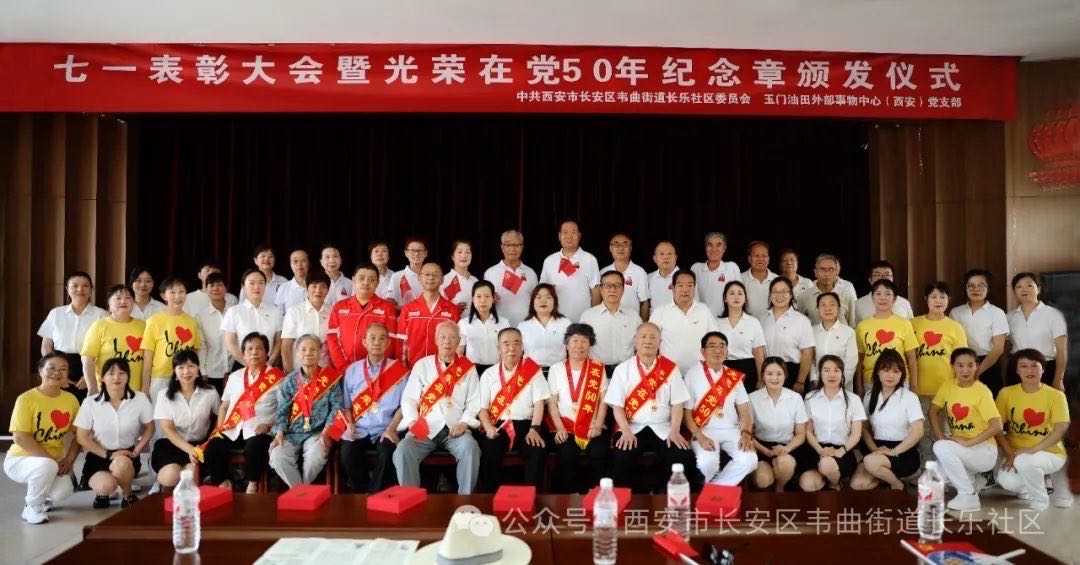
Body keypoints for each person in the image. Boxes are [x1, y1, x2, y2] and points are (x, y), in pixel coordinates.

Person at [605, 323, 699, 493]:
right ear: (635, 341)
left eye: (653, 337)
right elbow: (617, 406)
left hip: (664, 427)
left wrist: (675, 430)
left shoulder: (670, 368)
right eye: (643, 336)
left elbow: (677, 403)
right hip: (632, 426)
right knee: (622, 455)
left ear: (660, 342)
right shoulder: (622, 369)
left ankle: (666, 496)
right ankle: (630, 498)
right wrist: (625, 430)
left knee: (681, 455)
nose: (648, 341)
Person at [394, 322, 482, 494]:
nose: (447, 341)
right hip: (425, 428)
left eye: (452, 337)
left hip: (455, 429)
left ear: (459, 341)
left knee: (471, 448)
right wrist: (413, 421)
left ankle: (465, 501)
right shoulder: (422, 365)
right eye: (443, 337)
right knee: (403, 450)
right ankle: (410, 498)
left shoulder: (468, 368)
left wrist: (464, 423)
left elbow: (474, 401)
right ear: (436, 340)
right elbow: (409, 398)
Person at [4, 354, 81, 524]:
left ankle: (43, 497)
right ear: (40, 371)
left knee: (63, 491)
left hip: (52, 462)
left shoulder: (70, 400)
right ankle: (32, 507)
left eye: (63, 369)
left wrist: (68, 461)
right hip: (20, 459)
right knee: (46, 465)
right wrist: (53, 461)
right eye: (51, 368)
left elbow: (80, 434)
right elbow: (20, 437)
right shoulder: (26, 399)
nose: (57, 373)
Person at [202, 332, 283, 494]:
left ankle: (252, 486)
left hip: (260, 429)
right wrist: (220, 428)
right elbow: (224, 407)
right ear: (243, 354)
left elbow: (283, 409)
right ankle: (224, 484)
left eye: (259, 348)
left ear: (266, 352)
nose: (254, 352)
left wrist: (269, 425)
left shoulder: (277, 377)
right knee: (212, 448)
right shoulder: (235, 377)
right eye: (249, 349)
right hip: (233, 428)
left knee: (254, 448)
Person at [994, 349, 1074, 510]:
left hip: (1051, 453)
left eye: (1034, 365)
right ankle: (1027, 488)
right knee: (1006, 481)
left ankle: (1040, 499)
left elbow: (1060, 429)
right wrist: (1010, 454)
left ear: (1043, 369)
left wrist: (1031, 450)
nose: (1029, 370)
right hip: (1016, 453)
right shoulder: (1006, 393)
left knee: (1025, 461)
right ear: (1017, 370)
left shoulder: (1056, 396)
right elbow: (996, 428)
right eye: (1023, 366)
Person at [477, 328, 550, 492]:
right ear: (499, 348)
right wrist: (488, 428)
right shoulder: (489, 374)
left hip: (528, 424)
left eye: (516, 343)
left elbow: (539, 403)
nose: (511, 348)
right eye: (506, 343)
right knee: (489, 449)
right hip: (498, 425)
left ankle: (533, 499)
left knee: (537, 450)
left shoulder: (533, 371)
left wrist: (535, 429)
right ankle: (490, 498)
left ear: (522, 347)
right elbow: (482, 409)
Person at [928, 348, 1002, 511]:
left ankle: (968, 496)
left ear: (977, 366)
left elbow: (997, 425)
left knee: (941, 448)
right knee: (936, 478)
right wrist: (941, 436)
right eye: (960, 365)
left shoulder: (982, 391)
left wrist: (969, 442)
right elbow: (932, 411)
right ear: (952, 366)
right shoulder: (948, 386)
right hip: (961, 448)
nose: (965, 370)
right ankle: (974, 480)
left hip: (983, 450)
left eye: (970, 365)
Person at [337, 324, 407, 493]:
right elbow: (347, 406)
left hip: (386, 428)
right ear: (364, 342)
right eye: (372, 338)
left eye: (382, 338)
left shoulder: (399, 371)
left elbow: (403, 407)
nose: (377, 342)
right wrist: (350, 424)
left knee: (389, 452)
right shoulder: (352, 370)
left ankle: (374, 494)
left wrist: (391, 429)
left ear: (388, 343)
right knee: (347, 452)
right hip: (360, 428)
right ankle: (361, 493)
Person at [74, 358, 153, 508]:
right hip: (98, 456)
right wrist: (108, 454)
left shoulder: (139, 399)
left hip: (127, 455)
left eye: (122, 373)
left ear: (128, 377)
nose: (116, 377)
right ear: (102, 378)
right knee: (105, 486)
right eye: (111, 373)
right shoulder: (90, 403)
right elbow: (81, 437)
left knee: (121, 464)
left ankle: (127, 494)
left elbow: (150, 427)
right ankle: (103, 493)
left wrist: (138, 448)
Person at [682, 332, 757, 486]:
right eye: (712, 346)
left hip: (732, 430)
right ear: (703, 351)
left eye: (722, 346)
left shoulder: (732, 376)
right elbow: (686, 413)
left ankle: (714, 489)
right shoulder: (692, 375)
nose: (718, 350)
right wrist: (699, 436)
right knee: (707, 464)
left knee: (750, 460)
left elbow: (744, 410)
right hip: (704, 430)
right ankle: (717, 491)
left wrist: (746, 433)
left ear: (727, 351)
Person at [269, 335, 343, 488]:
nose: (308, 353)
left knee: (317, 455)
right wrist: (279, 433)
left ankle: (299, 493)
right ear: (297, 353)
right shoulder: (290, 380)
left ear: (320, 352)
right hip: (291, 433)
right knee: (277, 456)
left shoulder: (330, 378)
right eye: (303, 349)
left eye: (313, 349)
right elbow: (282, 410)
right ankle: (302, 491)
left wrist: (327, 432)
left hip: (318, 432)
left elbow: (337, 408)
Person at [546, 324, 610, 494]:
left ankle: (596, 494)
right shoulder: (556, 369)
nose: (579, 345)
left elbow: (603, 402)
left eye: (584, 341)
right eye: (575, 340)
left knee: (599, 452)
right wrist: (559, 428)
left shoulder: (598, 369)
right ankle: (571, 495)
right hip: (565, 427)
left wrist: (598, 426)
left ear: (590, 344)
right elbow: (552, 404)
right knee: (566, 453)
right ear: (567, 344)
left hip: (592, 426)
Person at [850, 350, 924, 491]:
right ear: (878, 372)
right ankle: (885, 476)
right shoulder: (869, 396)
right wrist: (875, 450)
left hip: (903, 452)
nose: (891, 375)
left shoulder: (909, 397)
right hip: (877, 449)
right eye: (886, 370)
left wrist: (894, 451)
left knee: (870, 461)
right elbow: (864, 429)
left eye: (896, 371)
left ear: (902, 374)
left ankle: (897, 485)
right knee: (857, 484)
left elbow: (918, 431)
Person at [152, 350, 220, 491]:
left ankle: (182, 495)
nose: (186, 371)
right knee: (171, 476)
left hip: (198, 445)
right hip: (171, 444)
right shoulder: (164, 395)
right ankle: (162, 484)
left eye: (191, 366)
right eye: (181, 367)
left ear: (198, 369)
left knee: (191, 475)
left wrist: (212, 438)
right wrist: (189, 449)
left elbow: (221, 416)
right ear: (175, 372)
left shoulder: (210, 392)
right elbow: (167, 429)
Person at [38, 271, 107, 402]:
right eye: (75, 285)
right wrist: (55, 372)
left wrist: (91, 376)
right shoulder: (56, 313)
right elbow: (46, 346)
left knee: (86, 408)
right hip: (59, 366)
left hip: (90, 365)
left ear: (91, 290)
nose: (80, 289)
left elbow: (106, 349)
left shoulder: (102, 315)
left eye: (85, 285)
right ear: (67, 289)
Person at [800, 355, 866, 491]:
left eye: (836, 370)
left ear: (842, 374)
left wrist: (840, 451)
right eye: (827, 370)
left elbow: (856, 434)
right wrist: (820, 450)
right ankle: (827, 478)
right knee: (807, 484)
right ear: (820, 373)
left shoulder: (853, 400)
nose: (832, 374)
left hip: (843, 451)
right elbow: (808, 431)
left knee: (827, 464)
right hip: (817, 449)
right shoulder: (810, 398)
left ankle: (835, 484)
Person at [749, 358, 811, 492]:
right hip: (761, 447)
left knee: (784, 463)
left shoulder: (795, 398)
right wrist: (765, 451)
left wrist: (786, 448)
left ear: (785, 375)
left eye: (779, 374)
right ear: (763, 375)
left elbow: (801, 434)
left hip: (788, 447)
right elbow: (748, 434)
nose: (774, 378)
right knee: (763, 479)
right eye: (769, 374)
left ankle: (780, 488)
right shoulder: (752, 398)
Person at [327, 263, 399, 370]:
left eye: (371, 280)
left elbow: (390, 342)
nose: (366, 283)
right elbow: (332, 339)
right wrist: (344, 368)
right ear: (353, 280)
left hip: (377, 371)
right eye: (361, 278)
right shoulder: (339, 307)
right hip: (344, 370)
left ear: (377, 283)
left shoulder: (387, 308)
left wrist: (376, 367)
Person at [949, 269, 1009, 398]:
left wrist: (976, 372)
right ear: (965, 288)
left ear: (988, 288)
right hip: (962, 364)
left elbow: (998, 348)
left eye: (981, 286)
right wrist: (964, 369)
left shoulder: (996, 313)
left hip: (989, 364)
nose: (976, 289)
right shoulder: (956, 313)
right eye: (971, 286)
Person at [141, 277, 202, 402]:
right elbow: (147, 358)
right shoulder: (153, 321)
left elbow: (195, 352)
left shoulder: (191, 321)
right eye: (172, 292)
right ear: (164, 296)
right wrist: (145, 388)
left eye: (181, 292)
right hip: (161, 378)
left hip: (186, 376)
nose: (177, 296)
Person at [855, 279, 919, 396]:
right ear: (872, 298)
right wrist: (859, 386)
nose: (883, 298)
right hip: (871, 381)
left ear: (894, 298)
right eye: (878, 294)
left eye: (888, 294)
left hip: (899, 380)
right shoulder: (862, 326)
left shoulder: (904, 324)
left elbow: (911, 358)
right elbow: (859, 360)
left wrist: (914, 386)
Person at [80, 284, 146, 395]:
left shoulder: (143, 326)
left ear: (133, 303)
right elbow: (87, 359)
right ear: (109, 304)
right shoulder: (99, 326)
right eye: (118, 298)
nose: (123, 301)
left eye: (128, 298)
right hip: (107, 392)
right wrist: (92, 388)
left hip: (137, 392)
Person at [649, 270, 720, 374]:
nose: (685, 289)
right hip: (669, 374)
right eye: (680, 285)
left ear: (694, 288)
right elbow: (650, 341)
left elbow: (715, 339)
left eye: (690, 285)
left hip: (700, 374)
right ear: (673, 288)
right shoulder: (660, 312)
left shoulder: (704, 310)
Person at [1006, 272, 1068, 391]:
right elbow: (1006, 350)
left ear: (1038, 289)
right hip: (1017, 370)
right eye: (1019, 286)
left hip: (1045, 369)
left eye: (1029, 285)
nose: (1024, 289)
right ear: (1014, 292)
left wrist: (1059, 379)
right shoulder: (1009, 317)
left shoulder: (1053, 315)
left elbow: (1062, 351)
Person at [912, 282, 969, 399]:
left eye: (943, 297)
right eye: (933, 297)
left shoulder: (956, 327)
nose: (938, 301)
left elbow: (962, 360)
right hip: (917, 390)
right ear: (926, 299)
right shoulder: (912, 324)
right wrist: (912, 386)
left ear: (949, 299)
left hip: (947, 390)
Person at [398, 262, 461, 367]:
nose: (431, 277)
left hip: (443, 369)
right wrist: (402, 369)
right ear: (419, 278)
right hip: (413, 368)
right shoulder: (408, 309)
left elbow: (457, 344)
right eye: (427, 274)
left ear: (442, 279)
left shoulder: (452, 310)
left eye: (435, 274)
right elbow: (400, 343)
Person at [580, 271, 642, 375]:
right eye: (608, 285)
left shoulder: (633, 316)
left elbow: (640, 346)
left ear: (623, 289)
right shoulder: (588, 316)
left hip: (626, 373)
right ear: (601, 289)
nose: (612, 289)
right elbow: (581, 347)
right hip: (596, 373)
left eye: (617, 285)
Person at [540, 220, 601, 323]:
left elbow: (595, 291)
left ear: (579, 236)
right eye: (565, 232)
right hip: (555, 320)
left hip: (582, 320)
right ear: (559, 236)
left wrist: (594, 318)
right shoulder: (549, 260)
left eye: (573, 232)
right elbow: (542, 291)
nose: (569, 236)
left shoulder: (590, 259)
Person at [221, 269, 284, 369]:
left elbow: (278, 340)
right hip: (242, 365)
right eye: (252, 283)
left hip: (267, 366)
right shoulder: (234, 311)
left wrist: (270, 361)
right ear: (243, 287)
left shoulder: (275, 311)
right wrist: (246, 363)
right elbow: (230, 342)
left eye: (261, 283)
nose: (256, 287)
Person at [762, 277, 815, 392]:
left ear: (791, 295)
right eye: (775, 291)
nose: (779, 295)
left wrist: (800, 381)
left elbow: (807, 353)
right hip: (768, 372)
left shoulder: (801, 320)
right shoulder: (764, 319)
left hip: (793, 372)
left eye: (784, 291)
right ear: (770, 295)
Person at [483, 230, 539, 327]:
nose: (512, 249)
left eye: (516, 245)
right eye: (508, 245)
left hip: (526, 327)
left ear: (522, 247)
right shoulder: (490, 273)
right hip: (498, 327)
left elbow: (537, 301)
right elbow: (482, 302)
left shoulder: (531, 273)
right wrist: (489, 298)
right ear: (502, 247)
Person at [717, 281, 766, 387]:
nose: (736, 297)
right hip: (723, 369)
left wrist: (761, 379)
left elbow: (758, 353)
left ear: (745, 299)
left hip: (748, 370)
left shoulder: (753, 322)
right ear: (725, 298)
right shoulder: (717, 323)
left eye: (740, 293)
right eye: (732, 293)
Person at [281, 271, 332, 372]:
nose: (318, 290)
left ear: (328, 290)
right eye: (314, 286)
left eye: (323, 287)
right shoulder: (294, 311)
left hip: (325, 373)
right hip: (299, 372)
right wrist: (290, 375)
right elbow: (286, 346)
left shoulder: (333, 311)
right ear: (306, 287)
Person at [457, 281, 510, 376]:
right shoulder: (464, 323)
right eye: (478, 296)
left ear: (493, 299)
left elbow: (507, 350)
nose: (483, 300)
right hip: (471, 371)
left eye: (487, 296)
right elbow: (459, 353)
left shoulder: (503, 323)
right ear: (473, 299)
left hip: (496, 371)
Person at [518, 284, 572, 372]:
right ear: (532, 302)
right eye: (538, 297)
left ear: (555, 301)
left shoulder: (565, 323)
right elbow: (518, 353)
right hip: (530, 373)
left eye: (548, 297)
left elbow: (573, 350)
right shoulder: (523, 326)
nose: (543, 300)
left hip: (559, 372)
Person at [193, 272, 232, 393]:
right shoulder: (201, 316)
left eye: (219, 284)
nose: (216, 288)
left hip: (235, 369)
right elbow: (202, 346)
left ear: (226, 288)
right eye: (211, 285)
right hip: (212, 372)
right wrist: (202, 371)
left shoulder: (235, 311)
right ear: (206, 289)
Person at [810, 292, 857, 392]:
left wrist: (840, 382)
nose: (828, 308)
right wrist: (814, 379)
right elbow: (810, 360)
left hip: (843, 386)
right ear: (817, 309)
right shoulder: (811, 332)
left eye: (832, 304)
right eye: (823, 305)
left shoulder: (848, 332)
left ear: (838, 308)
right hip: (817, 386)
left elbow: (851, 361)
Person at [794, 254, 857, 327]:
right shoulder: (804, 297)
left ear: (836, 272)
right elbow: (800, 326)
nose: (827, 273)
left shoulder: (847, 296)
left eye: (831, 269)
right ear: (815, 272)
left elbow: (852, 325)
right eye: (822, 269)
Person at [691, 232, 742, 317]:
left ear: (724, 248)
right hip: (701, 319)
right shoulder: (696, 269)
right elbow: (692, 297)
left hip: (725, 319)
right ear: (706, 247)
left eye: (718, 245)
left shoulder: (732, 267)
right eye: (710, 245)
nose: (714, 249)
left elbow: (739, 296)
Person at [602, 232, 650, 319]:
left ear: (630, 248)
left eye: (625, 244)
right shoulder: (603, 272)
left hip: (631, 321)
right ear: (610, 248)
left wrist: (643, 324)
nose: (621, 248)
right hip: (607, 319)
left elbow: (644, 302)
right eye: (616, 244)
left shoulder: (639, 272)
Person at [852, 261, 915, 325]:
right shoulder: (858, 305)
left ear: (892, 279)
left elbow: (911, 326)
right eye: (877, 275)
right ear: (870, 280)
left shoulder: (904, 303)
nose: (882, 278)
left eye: (887, 275)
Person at [238, 243, 288, 308]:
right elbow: (242, 306)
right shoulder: (249, 282)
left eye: (270, 256)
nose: (267, 259)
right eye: (263, 256)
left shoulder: (283, 281)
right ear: (255, 260)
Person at [383, 236, 427, 307]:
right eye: (412, 250)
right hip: (404, 313)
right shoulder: (397, 276)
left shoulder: (430, 276)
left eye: (420, 250)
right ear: (406, 253)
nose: (416, 253)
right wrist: (406, 309)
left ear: (425, 253)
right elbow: (390, 302)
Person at [740, 241, 778, 322]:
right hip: (747, 326)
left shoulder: (778, 281)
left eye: (764, 256)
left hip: (772, 326)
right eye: (756, 256)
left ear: (768, 259)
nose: (760, 259)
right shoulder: (740, 279)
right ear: (749, 259)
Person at [440, 239, 479, 314]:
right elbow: (439, 310)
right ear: (452, 256)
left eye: (467, 252)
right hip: (453, 321)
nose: (464, 256)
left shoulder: (475, 281)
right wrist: (453, 310)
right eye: (459, 252)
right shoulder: (444, 281)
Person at [274, 249, 311, 313]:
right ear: (290, 265)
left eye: (303, 260)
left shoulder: (317, 286)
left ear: (309, 263)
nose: (299, 264)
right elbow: (278, 313)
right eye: (295, 261)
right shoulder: (284, 288)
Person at [646, 240, 680, 309]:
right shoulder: (648, 278)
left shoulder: (685, 277)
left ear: (675, 257)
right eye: (662, 254)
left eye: (669, 253)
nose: (666, 257)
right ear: (654, 258)